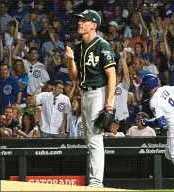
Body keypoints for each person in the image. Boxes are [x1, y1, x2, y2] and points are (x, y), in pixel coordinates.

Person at [65, 9, 116, 187]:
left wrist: (109, 103)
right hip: (85, 94)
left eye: (84, 20)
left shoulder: (102, 45)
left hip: (98, 93)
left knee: (95, 138)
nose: (80, 23)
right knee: (89, 139)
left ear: (93, 25)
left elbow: (112, 74)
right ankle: (94, 180)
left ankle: (96, 182)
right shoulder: (79, 47)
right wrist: (70, 60)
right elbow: (74, 77)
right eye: (80, 20)